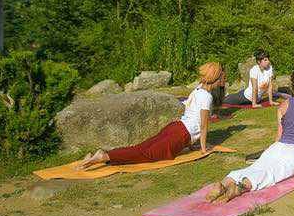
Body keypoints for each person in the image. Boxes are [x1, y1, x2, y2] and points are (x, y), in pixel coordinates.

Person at [76, 62, 225, 169]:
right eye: (222, 77)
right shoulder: (207, 97)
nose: (224, 80)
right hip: (180, 134)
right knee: (145, 154)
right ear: (216, 79)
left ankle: (106, 155)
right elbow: (203, 126)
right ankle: (104, 156)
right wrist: (204, 149)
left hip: (175, 127)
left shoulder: (198, 89)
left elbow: (192, 117)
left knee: (140, 148)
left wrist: (192, 145)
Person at [205, 69, 294, 203]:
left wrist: (271, 150)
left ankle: (225, 182)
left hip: (278, 146)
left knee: (255, 167)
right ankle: (240, 188)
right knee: (271, 174)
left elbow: (279, 135)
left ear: (291, 84)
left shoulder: (283, 105)